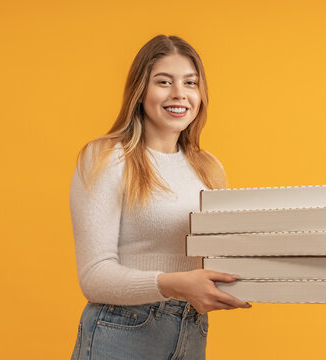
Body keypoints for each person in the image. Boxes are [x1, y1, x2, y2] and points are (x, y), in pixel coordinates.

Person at [68, 34, 251, 360]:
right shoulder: (106, 157)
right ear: (140, 91)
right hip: (122, 330)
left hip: (190, 328)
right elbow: (94, 278)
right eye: (164, 82)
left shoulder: (208, 168)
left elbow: (222, 255)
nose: (179, 94)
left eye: (190, 83)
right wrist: (176, 284)